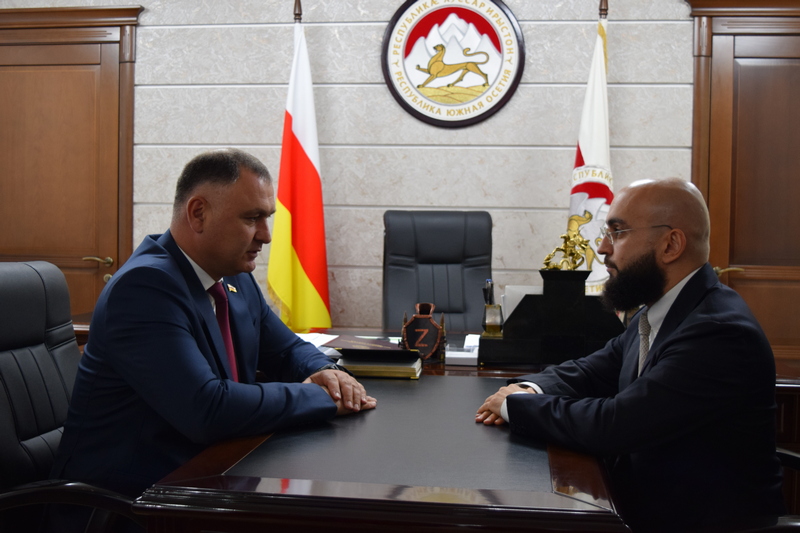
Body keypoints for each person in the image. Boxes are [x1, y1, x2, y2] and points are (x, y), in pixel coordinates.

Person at [51, 148, 376, 502]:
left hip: (211, 475)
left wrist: (326, 373)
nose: (266, 236)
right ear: (199, 213)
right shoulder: (144, 288)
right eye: (252, 218)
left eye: (267, 218)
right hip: (129, 502)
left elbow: (286, 348)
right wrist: (319, 397)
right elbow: (206, 409)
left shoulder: (234, 277)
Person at [476, 178, 785, 532]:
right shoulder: (656, 312)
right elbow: (591, 372)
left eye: (618, 232)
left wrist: (516, 406)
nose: (602, 248)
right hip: (645, 505)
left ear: (671, 245)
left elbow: (616, 425)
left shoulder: (717, 333)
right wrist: (530, 389)